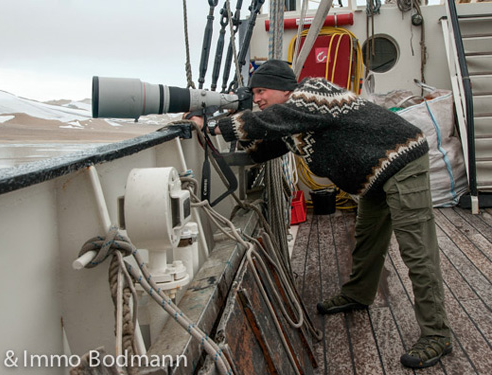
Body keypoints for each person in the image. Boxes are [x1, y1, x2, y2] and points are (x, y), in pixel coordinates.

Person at [189, 59, 452, 369]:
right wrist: (215, 150)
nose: (257, 99)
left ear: (284, 88)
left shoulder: (313, 93)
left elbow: (272, 119)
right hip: (376, 175)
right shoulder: (294, 122)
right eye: (254, 93)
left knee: (417, 250)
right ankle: (358, 294)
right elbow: (260, 151)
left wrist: (213, 125)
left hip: (403, 160)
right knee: (367, 240)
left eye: (261, 91)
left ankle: (437, 335)